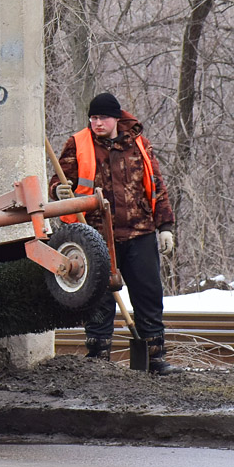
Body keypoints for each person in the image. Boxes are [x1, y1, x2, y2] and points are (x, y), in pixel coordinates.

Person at [51, 92, 179, 375]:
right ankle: (98, 359)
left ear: (116, 118)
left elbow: (156, 186)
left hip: (140, 232)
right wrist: (59, 193)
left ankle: (155, 358)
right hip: (96, 235)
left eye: (103, 118)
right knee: (99, 298)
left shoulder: (139, 144)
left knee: (148, 294)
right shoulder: (77, 144)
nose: (97, 123)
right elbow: (59, 183)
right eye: (93, 117)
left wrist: (165, 227)